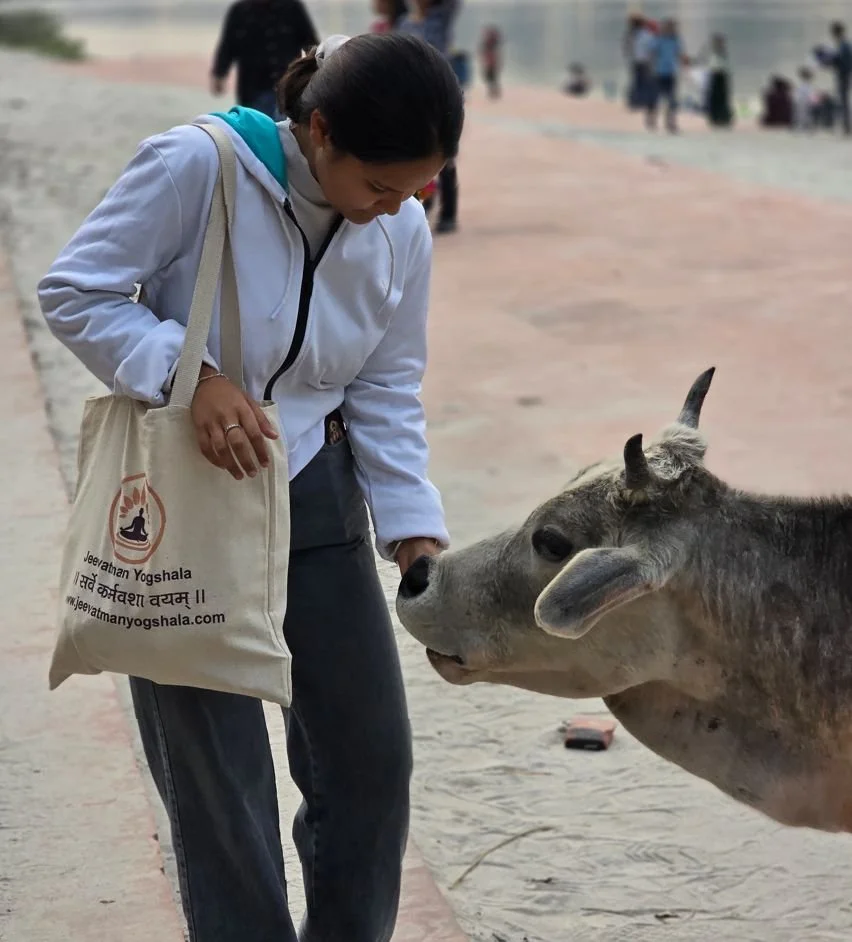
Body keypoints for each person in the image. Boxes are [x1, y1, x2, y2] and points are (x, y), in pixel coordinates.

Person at [38, 31, 464, 942]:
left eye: (416, 189)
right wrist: (188, 375)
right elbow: (76, 290)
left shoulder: (401, 228)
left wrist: (412, 530)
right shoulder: (198, 166)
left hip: (320, 506)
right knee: (222, 794)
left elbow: (385, 384)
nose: (393, 210)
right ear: (319, 133)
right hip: (190, 512)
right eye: (380, 187)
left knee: (370, 768)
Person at [397, 0, 462, 234]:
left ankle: (448, 214)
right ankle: (423, 205)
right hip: (413, 98)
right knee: (418, 152)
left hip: (441, 94)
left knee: (445, 155)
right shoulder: (404, 23)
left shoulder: (440, 19)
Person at [210, 0, 319, 118]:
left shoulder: (293, 8)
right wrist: (219, 73)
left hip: (287, 89)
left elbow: (310, 43)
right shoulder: (239, 11)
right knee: (255, 130)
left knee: (286, 131)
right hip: (252, 90)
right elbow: (228, 46)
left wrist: (316, 70)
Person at [647, 18, 687, 133]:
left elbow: (680, 54)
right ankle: (652, 119)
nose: (672, 29)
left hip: (671, 73)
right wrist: (650, 68)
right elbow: (651, 54)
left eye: (673, 27)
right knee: (656, 98)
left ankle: (671, 123)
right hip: (659, 72)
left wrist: (685, 65)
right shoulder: (658, 39)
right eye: (670, 27)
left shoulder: (676, 40)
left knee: (672, 99)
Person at [815, 21, 852, 134]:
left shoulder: (843, 45)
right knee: (844, 100)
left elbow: (840, 61)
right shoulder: (844, 45)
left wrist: (826, 60)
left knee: (844, 100)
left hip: (843, 75)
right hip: (844, 74)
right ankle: (846, 125)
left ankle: (847, 127)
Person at [624, 14, 656, 109]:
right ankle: (641, 101)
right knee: (643, 81)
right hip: (644, 61)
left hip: (635, 61)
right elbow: (651, 47)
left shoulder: (630, 34)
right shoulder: (645, 34)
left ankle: (635, 101)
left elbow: (626, 48)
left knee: (636, 81)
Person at [704, 33, 733, 127]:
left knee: (723, 98)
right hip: (715, 75)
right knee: (714, 98)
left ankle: (724, 117)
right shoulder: (710, 52)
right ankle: (715, 118)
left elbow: (725, 66)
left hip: (722, 76)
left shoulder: (723, 52)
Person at [479, 25, 503, 99]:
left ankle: (494, 93)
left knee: (491, 78)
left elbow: (485, 54)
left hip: (491, 63)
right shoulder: (490, 44)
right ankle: (493, 93)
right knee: (491, 79)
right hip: (491, 63)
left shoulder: (490, 44)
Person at [794, 66, 818, 130]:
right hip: (804, 101)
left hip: (804, 101)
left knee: (803, 115)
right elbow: (811, 94)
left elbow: (809, 94)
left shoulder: (806, 85)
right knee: (804, 115)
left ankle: (805, 127)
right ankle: (804, 127)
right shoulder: (807, 85)